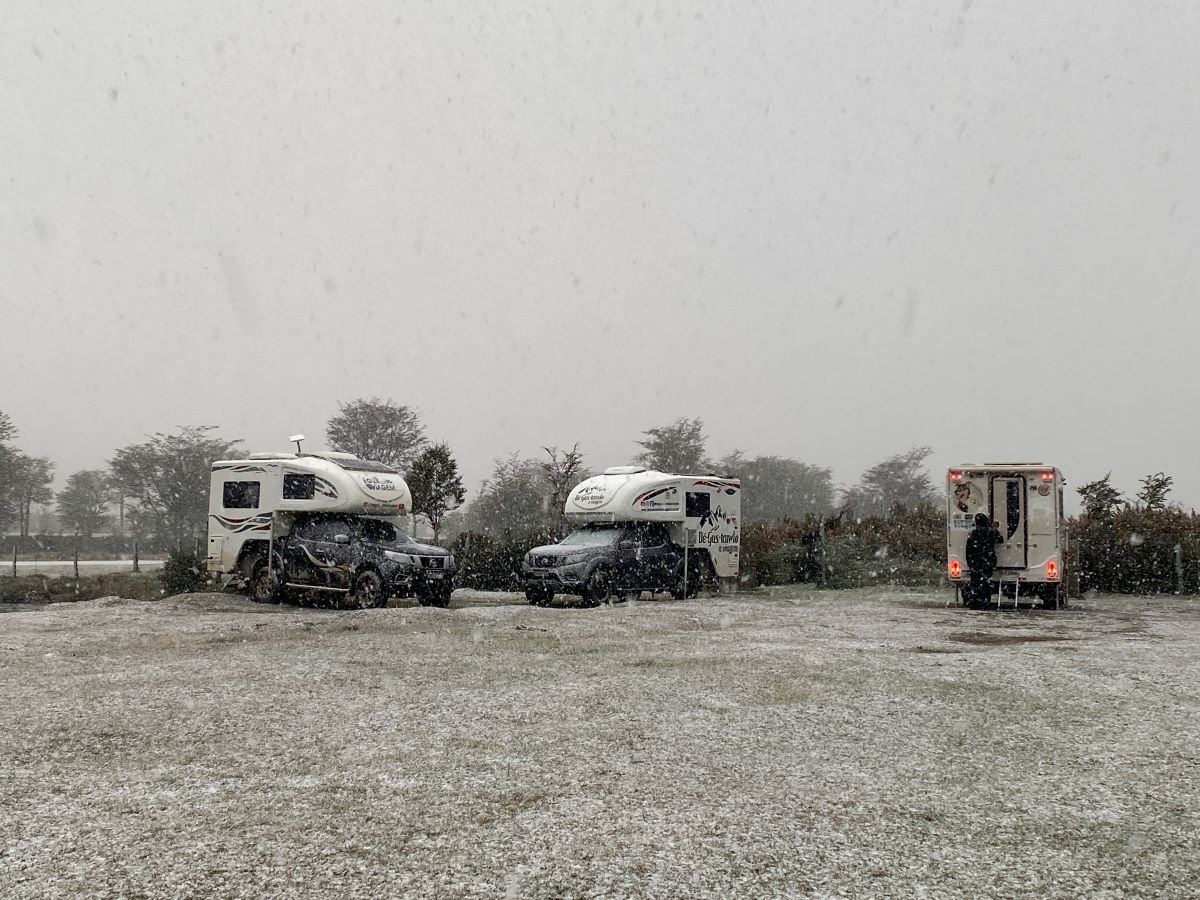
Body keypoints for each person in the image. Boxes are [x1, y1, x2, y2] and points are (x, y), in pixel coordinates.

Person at [964, 513, 1003, 608]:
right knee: (986, 582)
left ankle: (974, 602)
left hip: (975, 563)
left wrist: (970, 562)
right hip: (987, 562)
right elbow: (1000, 540)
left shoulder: (973, 534)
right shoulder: (990, 532)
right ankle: (984, 602)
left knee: (975, 582)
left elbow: (968, 549)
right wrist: (994, 529)